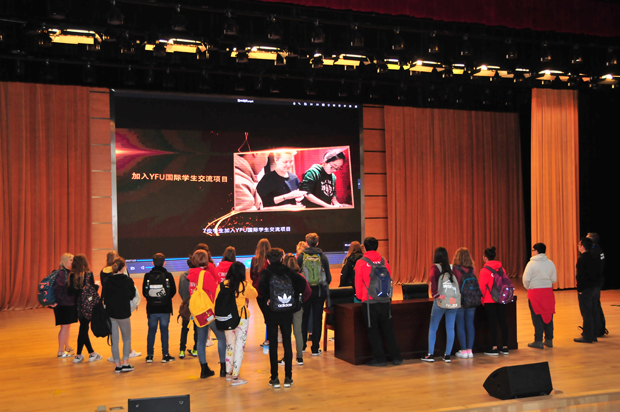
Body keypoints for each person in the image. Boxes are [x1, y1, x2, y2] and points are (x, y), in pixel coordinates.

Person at [258, 248, 307, 388]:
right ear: (281, 259)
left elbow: (260, 288)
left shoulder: (266, 272)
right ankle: (288, 377)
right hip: (287, 312)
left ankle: (274, 378)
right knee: (287, 342)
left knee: (273, 344)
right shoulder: (289, 272)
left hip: (271, 312)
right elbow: (302, 284)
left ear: (267, 260)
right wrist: (293, 297)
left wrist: (268, 298)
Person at [354, 237, 402, 367]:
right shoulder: (384, 261)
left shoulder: (361, 262)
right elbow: (389, 279)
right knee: (389, 330)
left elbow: (358, 281)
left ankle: (380, 359)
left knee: (373, 331)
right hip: (385, 299)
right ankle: (396, 357)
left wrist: (360, 296)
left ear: (364, 247)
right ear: (377, 247)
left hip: (369, 301)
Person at [215, 262, 258, 386]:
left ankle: (228, 373)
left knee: (230, 345)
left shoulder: (222, 285)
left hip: (227, 318)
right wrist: (247, 283)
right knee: (240, 346)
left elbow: (216, 302)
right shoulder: (243, 285)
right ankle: (235, 376)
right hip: (241, 319)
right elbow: (254, 294)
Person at [187, 250, 228, 378]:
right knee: (221, 337)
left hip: (198, 312)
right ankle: (223, 368)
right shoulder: (204, 274)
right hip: (208, 311)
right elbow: (215, 291)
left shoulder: (190, 274)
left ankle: (204, 369)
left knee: (201, 339)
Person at [422, 247, 459, 363]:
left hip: (440, 302)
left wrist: (436, 295)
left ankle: (430, 354)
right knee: (450, 328)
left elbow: (433, 282)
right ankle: (447, 355)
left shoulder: (435, 268)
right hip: (452, 301)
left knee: (433, 327)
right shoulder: (453, 268)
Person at [297, 232, 332, 356]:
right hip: (319, 292)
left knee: (304, 318)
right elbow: (328, 277)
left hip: (305, 292)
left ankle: (302, 346)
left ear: (306, 243)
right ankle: (315, 348)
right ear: (317, 243)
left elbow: (297, 276)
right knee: (317, 318)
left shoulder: (301, 257)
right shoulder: (322, 257)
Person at [102, 257, 136, 373]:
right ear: (123, 268)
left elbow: (104, 296)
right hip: (124, 313)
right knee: (126, 338)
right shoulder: (128, 280)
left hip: (111, 313)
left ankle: (117, 364)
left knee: (114, 340)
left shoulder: (107, 280)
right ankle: (125, 363)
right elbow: (132, 295)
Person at [67, 254, 102, 363]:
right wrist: (97, 285)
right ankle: (80, 355)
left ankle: (89, 353)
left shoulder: (71, 275)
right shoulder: (88, 274)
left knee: (83, 328)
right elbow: (92, 290)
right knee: (83, 329)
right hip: (88, 305)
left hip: (77, 306)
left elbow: (70, 292)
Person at [143, 253, 177, 363]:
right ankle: (165, 355)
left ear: (152, 263)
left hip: (152, 309)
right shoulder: (168, 275)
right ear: (164, 263)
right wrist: (165, 299)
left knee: (151, 331)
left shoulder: (147, 276)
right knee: (164, 331)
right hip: (165, 309)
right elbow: (173, 291)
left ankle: (149, 356)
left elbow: (144, 292)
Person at [522, 243, 557, 349]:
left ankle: (538, 340)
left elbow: (525, 279)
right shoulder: (550, 263)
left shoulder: (531, 264)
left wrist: (529, 287)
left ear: (536, 251)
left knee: (537, 317)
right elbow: (554, 279)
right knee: (548, 315)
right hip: (548, 293)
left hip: (535, 293)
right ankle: (549, 339)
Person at [478, 246, 509, 355]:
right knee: (503, 321)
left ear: (485, 257)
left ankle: (494, 347)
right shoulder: (502, 269)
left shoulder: (484, 270)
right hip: (501, 299)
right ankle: (505, 347)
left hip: (489, 300)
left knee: (492, 323)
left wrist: (481, 300)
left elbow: (481, 288)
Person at [284, 253, 312, 366]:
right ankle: (299, 357)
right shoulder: (301, 277)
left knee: (286, 333)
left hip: (284, 308)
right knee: (298, 332)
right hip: (297, 307)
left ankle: (286, 357)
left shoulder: (283, 277)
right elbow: (308, 292)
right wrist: (302, 301)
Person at [575, 237, 602, 343]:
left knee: (586, 313)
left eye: (579, 245)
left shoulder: (582, 259)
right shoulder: (595, 257)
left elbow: (580, 276)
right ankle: (594, 334)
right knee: (594, 311)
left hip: (586, 289)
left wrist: (580, 289)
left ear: (582, 247)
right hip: (595, 288)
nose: (578, 246)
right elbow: (599, 273)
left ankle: (587, 337)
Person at [453, 247, 477, 359]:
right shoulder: (473, 269)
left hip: (460, 300)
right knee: (470, 324)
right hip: (471, 299)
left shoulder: (455, 269)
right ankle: (470, 350)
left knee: (460, 324)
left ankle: (463, 351)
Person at [51, 253, 76, 358]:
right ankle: (60, 351)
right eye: (71, 260)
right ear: (65, 261)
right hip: (63, 304)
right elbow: (58, 288)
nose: (73, 262)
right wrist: (57, 301)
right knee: (64, 327)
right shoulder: (62, 273)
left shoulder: (68, 272)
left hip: (68, 303)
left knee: (67, 326)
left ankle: (67, 346)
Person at [250, 238, 271, 347]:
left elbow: (251, 276)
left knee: (266, 316)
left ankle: (269, 339)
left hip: (259, 292)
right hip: (270, 291)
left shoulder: (254, 260)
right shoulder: (270, 260)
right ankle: (270, 338)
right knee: (269, 315)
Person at [588, 232, 607, 337]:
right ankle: (599, 327)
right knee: (596, 304)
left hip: (594, 282)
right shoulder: (599, 250)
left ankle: (597, 329)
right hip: (598, 281)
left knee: (594, 305)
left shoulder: (593, 252)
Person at [179, 255, 198, 359]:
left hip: (186, 307)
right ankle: (195, 349)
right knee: (197, 329)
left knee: (184, 328)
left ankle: (182, 350)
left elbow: (180, 291)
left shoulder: (183, 276)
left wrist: (185, 301)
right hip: (197, 306)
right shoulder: (200, 276)